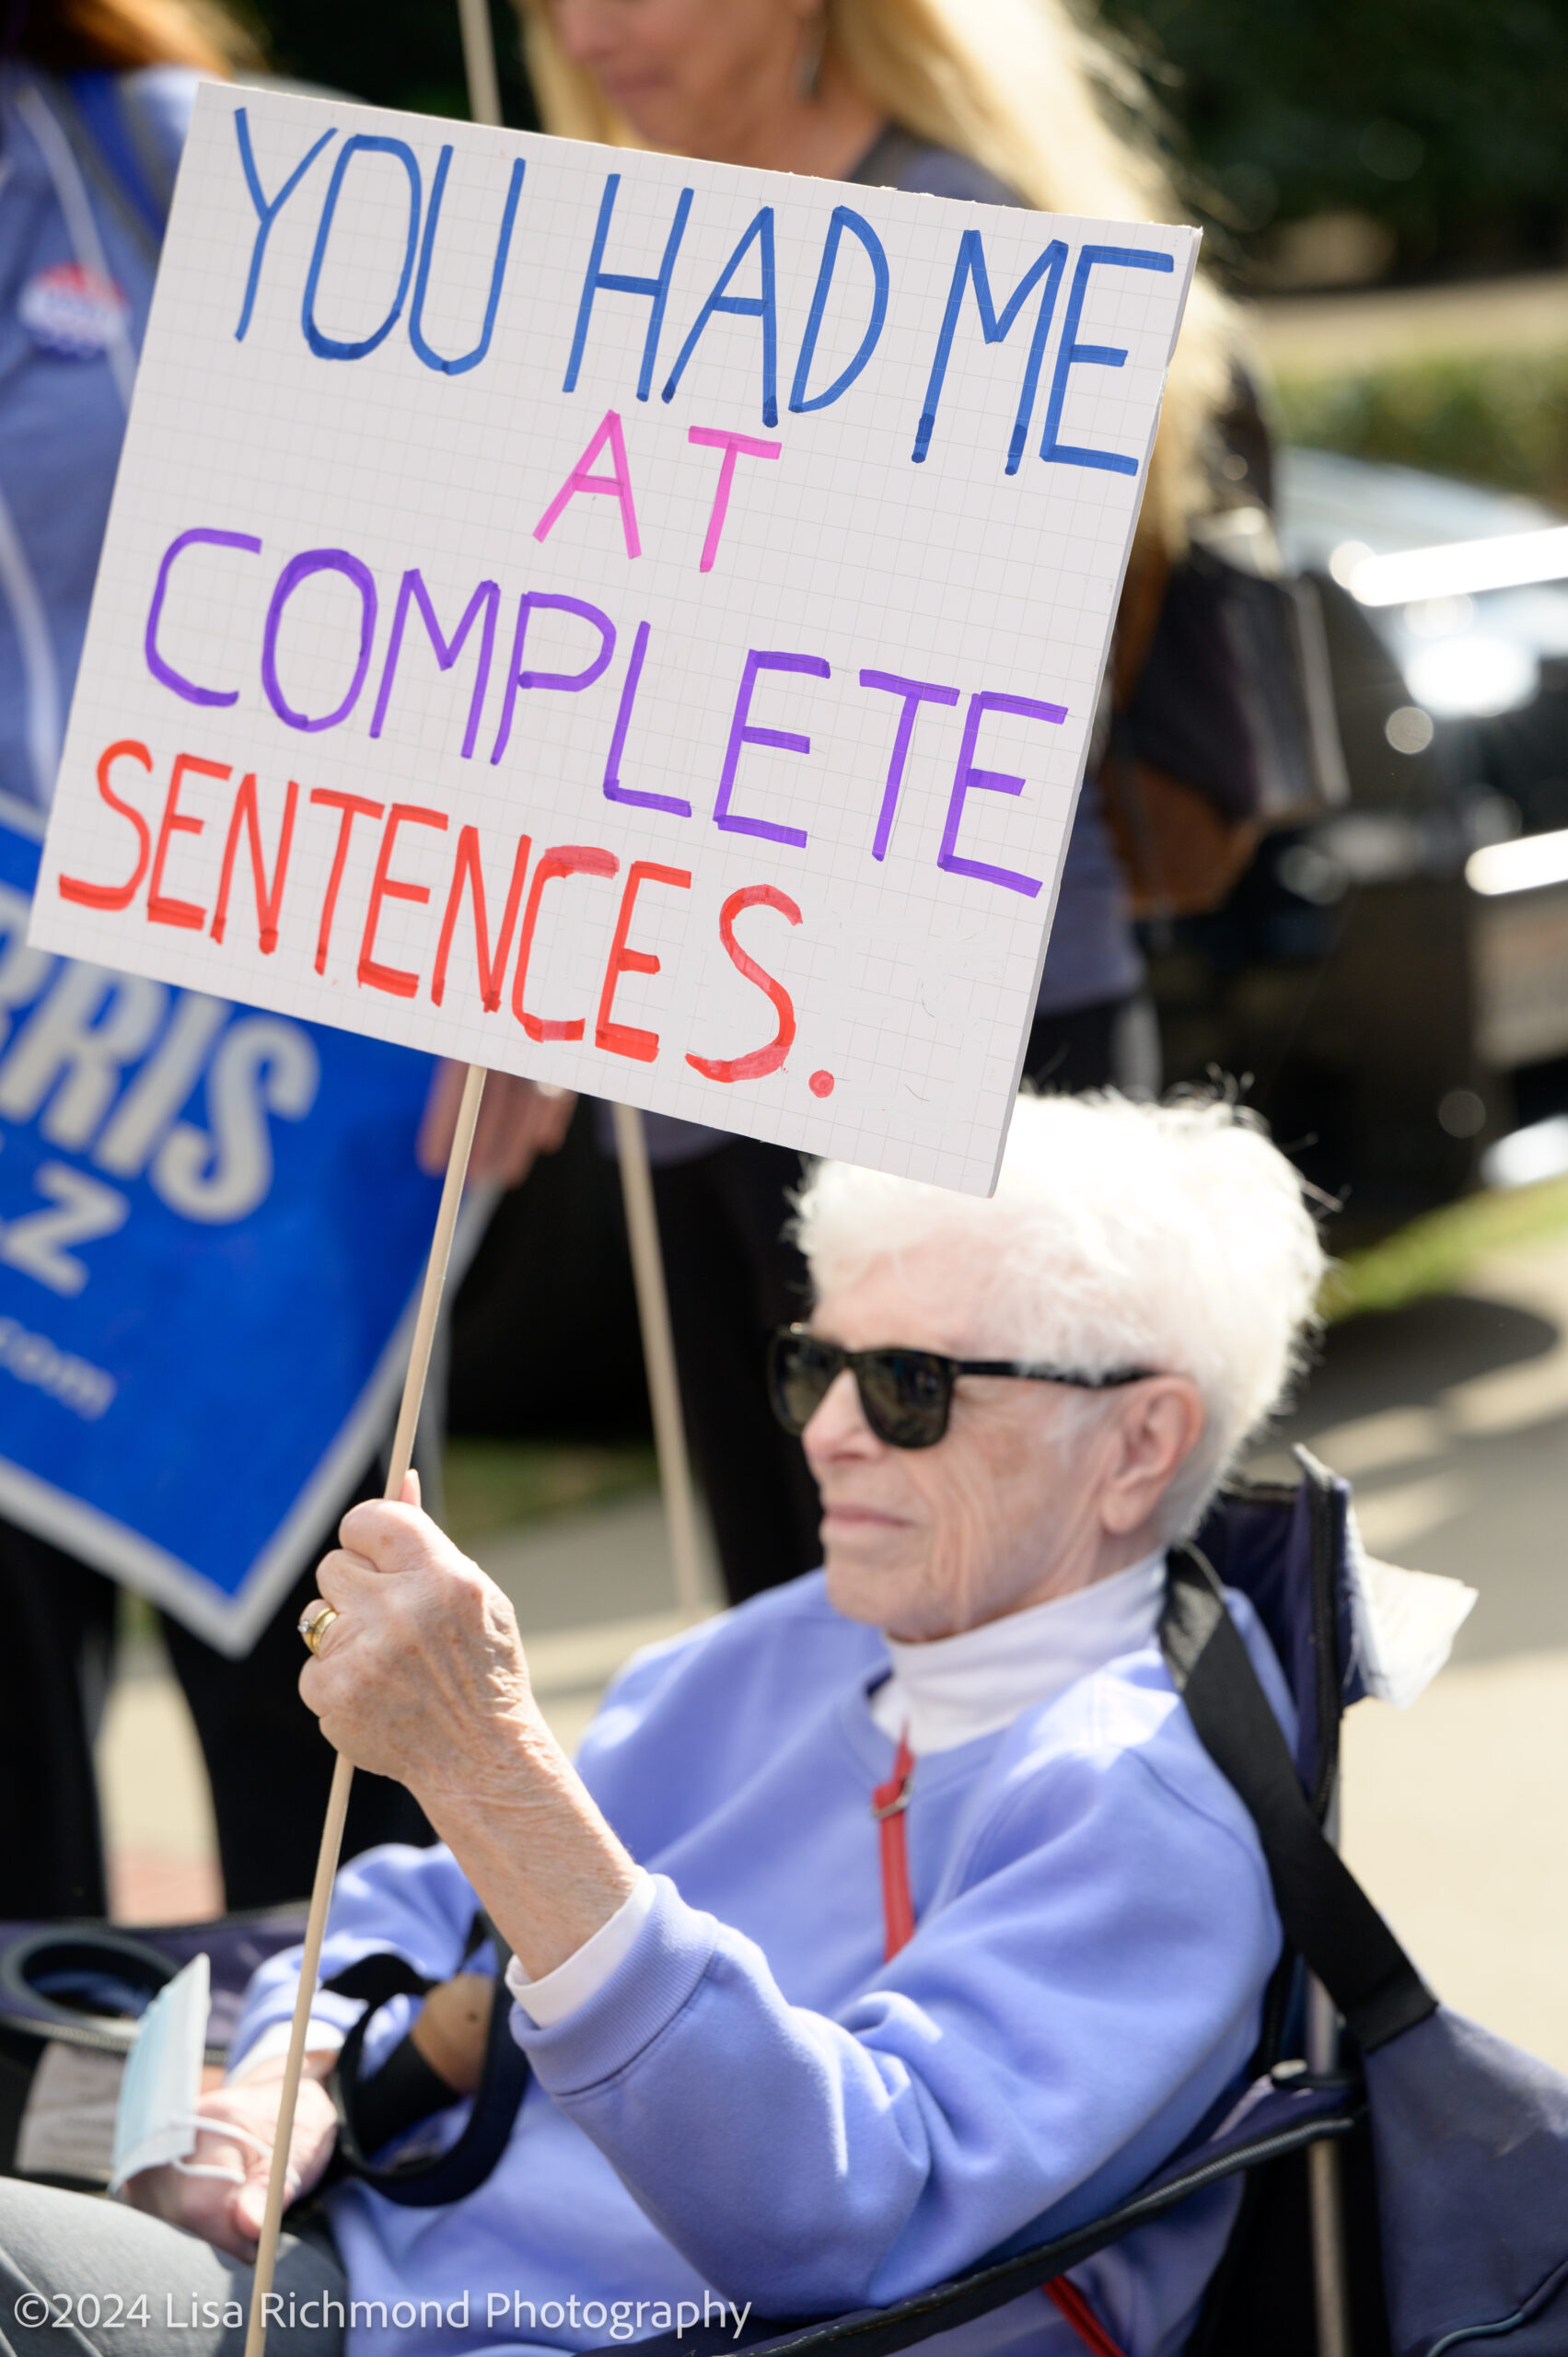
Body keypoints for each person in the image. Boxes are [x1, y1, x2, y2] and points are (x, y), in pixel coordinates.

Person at [0, 1090, 1328, 2357]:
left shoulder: (1143, 1798)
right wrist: (290, 2067)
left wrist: (488, 1765)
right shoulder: (784, 1649)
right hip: (365, 2266)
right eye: (818, 1366)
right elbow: (421, 1905)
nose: (832, 1436)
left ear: (1142, 1444)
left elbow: (836, 2211)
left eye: (913, 1386)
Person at [511, 0, 1261, 1608]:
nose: (586, 26)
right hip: (694, 1069)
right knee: (794, 1626)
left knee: (1020, 1615)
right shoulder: (579, 260)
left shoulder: (968, 239)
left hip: (983, 1065)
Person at [0, 0, 569, 1917]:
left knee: (339, 1753)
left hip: (261, 1097)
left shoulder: (194, 158)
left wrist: (511, 955)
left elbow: (488, 576)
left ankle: (356, 2187)